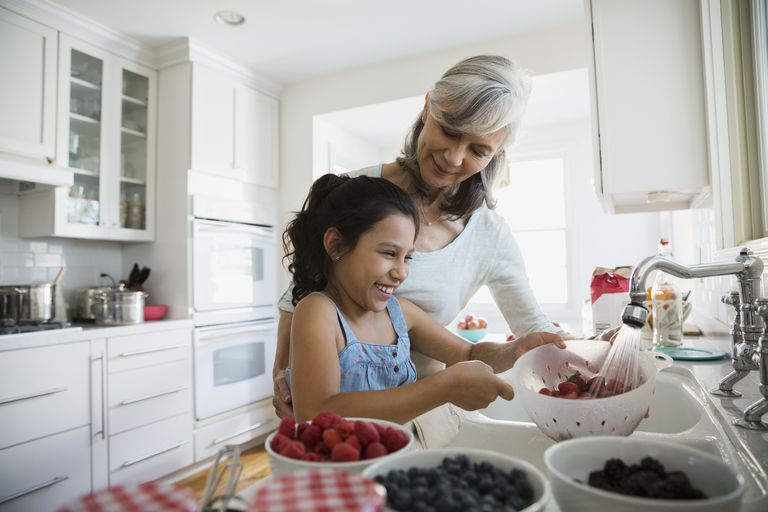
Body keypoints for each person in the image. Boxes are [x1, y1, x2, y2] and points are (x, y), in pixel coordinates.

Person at [274, 54, 610, 417]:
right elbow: (303, 284)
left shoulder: (486, 237)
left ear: (496, 154)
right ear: (428, 107)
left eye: (478, 150)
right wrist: (283, 372)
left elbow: (525, 331)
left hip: (419, 414)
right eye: (449, 131)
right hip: (335, 418)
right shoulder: (360, 194)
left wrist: (591, 350)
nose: (453, 158)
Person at [283, 173, 565, 422]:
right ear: (335, 245)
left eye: (407, 257)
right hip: (340, 473)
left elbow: (468, 353)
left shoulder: (399, 313)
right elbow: (316, 412)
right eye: (389, 253)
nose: (401, 272)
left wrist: (517, 350)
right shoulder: (319, 312)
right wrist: (444, 387)